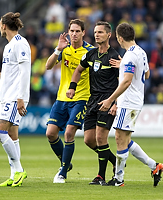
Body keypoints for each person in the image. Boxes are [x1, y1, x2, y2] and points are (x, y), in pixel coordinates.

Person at [98, 22, 163, 187]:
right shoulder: (141, 52)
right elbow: (147, 74)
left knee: (120, 139)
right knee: (125, 140)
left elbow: (127, 81)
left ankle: (118, 179)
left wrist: (110, 100)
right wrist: (124, 66)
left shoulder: (129, 55)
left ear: (120, 38)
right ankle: (154, 166)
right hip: (136, 101)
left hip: (128, 102)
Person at [66, 21, 119, 185]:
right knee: (89, 140)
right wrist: (72, 87)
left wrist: (116, 103)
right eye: (95, 32)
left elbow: (122, 81)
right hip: (92, 101)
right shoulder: (90, 54)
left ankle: (100, 177)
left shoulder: (114, 56)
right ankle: (116, 162)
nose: (97, 35)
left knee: (100, 137)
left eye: (101, 32)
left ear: (109, 35)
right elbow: (78, 70)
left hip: (108, 100)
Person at [45, 19, 94, 184]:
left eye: (77, 31)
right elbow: (48, 66)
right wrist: (57, 50)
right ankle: (66, 163)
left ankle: (62, 173)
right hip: (61, 98)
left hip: (81, 98)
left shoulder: (90, 51)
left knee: (68, 133)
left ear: (83, 33)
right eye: (71, 31)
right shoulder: (63, 49)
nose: (74, 34)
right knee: (50, 133)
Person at [0, 12, 31, 187]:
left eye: (0, 24)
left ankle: (20, 170)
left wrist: (20, 98)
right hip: (7, 96)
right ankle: (14, 175)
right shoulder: (9, 45)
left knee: (0, 132)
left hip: (15, 97)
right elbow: (7, 77)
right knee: (13, 136)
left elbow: (25, 72)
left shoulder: (21, 44)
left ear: (4, 25)